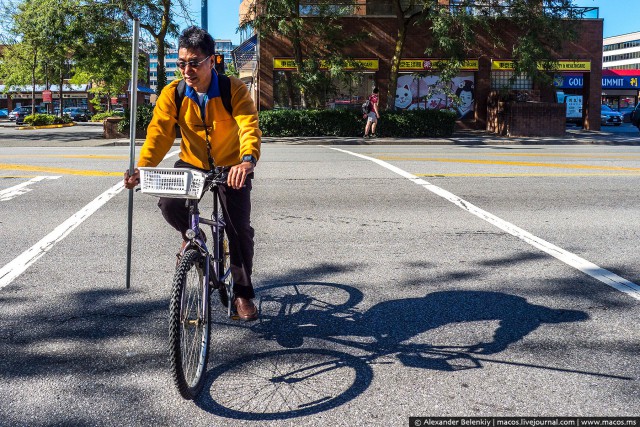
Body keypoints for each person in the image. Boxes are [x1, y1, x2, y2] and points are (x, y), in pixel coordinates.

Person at [124, 26, 262, 321]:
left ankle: (242, 293)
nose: (187, 69)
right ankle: (193, 237)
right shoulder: (172, 93)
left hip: (231, 165)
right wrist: (141, 167)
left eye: (194, 62)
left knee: (238, 230)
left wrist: (247, 160)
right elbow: (159, 134)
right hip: (193, 162)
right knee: (169, 204)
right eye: (182, 62)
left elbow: (248, 125)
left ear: (212, 61)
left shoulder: (232, 89)